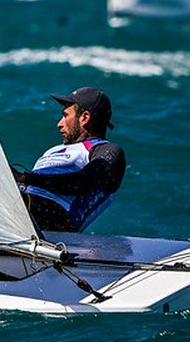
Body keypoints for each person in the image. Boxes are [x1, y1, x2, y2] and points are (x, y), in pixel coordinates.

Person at [13, 87, 126, 233]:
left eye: (66, 116)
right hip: (22, 204)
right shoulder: (52, 151)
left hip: (54, 218)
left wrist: (24, 177)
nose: (59, 124)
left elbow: (83, 182)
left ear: (85, 118)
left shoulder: (107, 150)